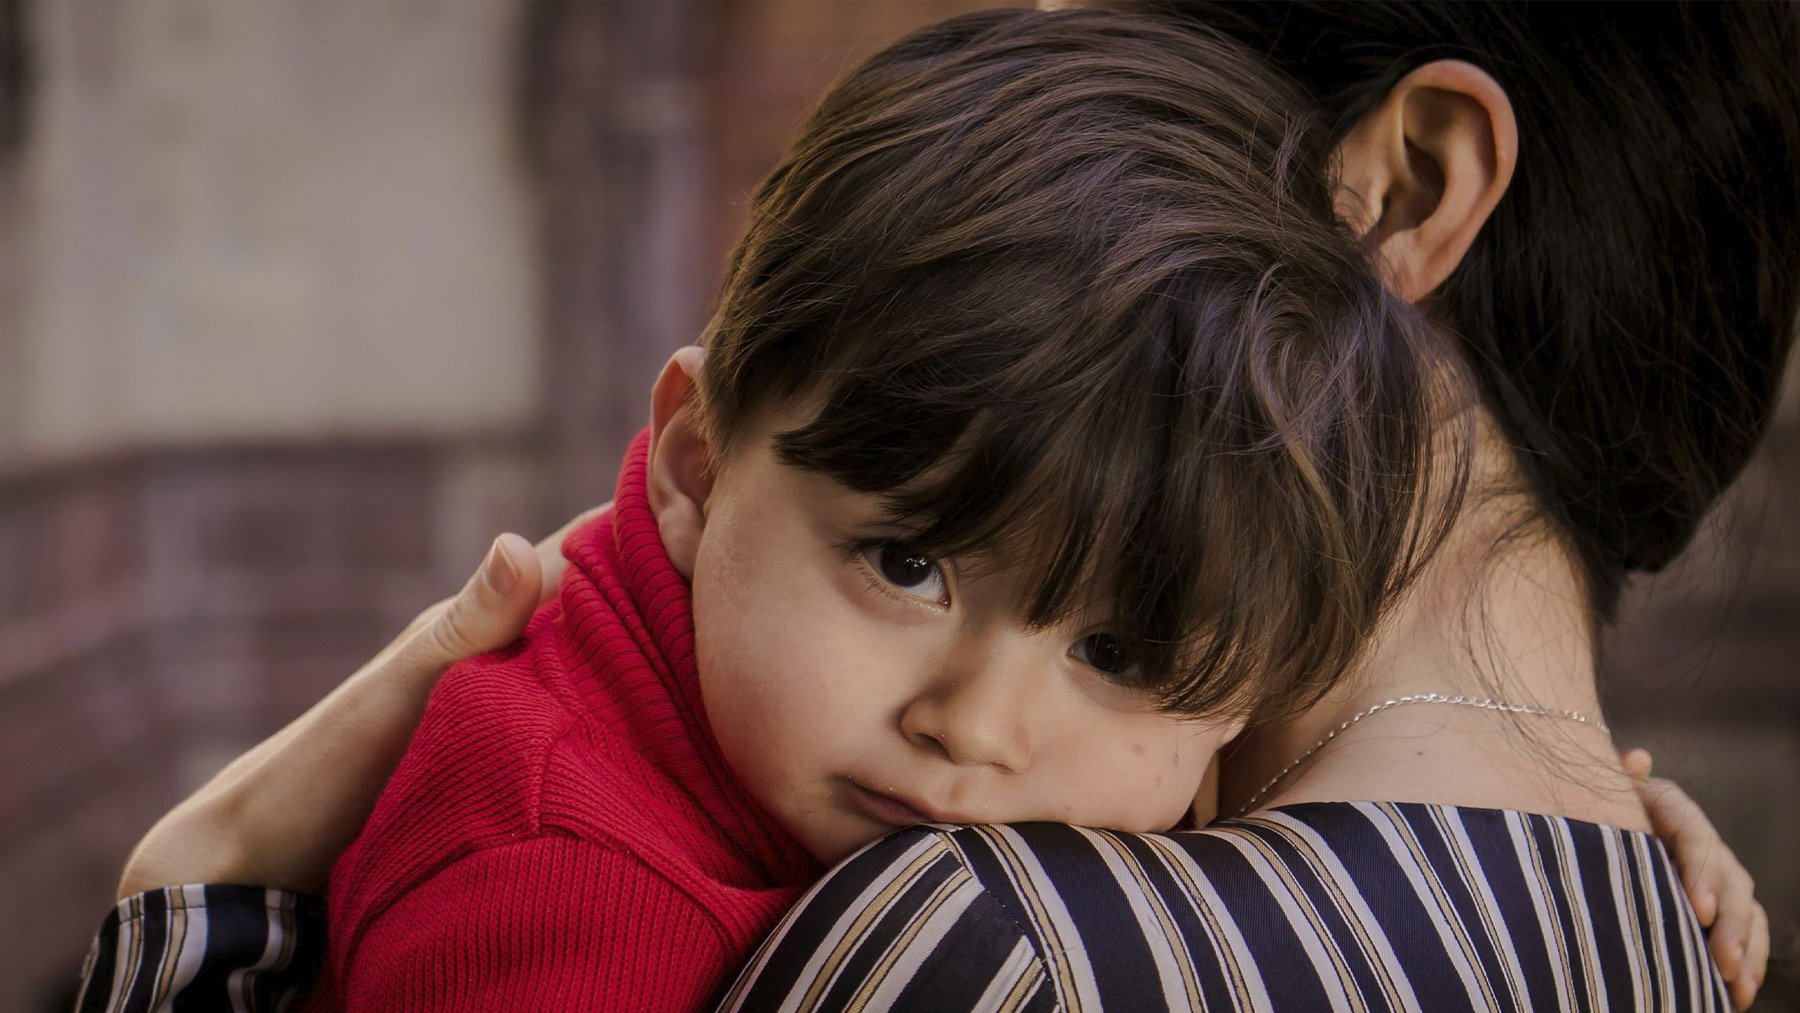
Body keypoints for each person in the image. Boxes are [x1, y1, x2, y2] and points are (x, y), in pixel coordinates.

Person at [75, 1, 1794, 1010]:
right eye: (907, 560)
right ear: (693, 457)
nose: (977, 730)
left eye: (1119, 50)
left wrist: (197, 915)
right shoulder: (1645, 936)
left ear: (1396, 187)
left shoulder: (997, 936)